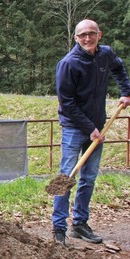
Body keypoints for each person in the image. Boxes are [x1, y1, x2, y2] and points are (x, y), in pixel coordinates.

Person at [52, 19, 130, 246]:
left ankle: (79, 224)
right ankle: (59, 228)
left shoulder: (105, 55)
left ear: (99, 35)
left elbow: (119, 66)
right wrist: (90, 129)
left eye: (91, 34)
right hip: (75, 128)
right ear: (75, 38)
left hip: (97, 124)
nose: (87, 38)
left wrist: (126, 91)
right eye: (82, 35)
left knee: (88, 178)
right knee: (66, 177)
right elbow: (67, 103)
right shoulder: (68, 64)